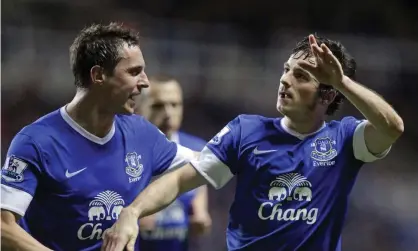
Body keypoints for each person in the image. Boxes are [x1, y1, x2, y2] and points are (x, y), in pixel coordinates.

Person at [101, 34, 404, 251]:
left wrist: (342, 82)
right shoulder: (246, 131)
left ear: (327, 95)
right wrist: (132, 211)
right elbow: (181, 179)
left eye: (301, 75)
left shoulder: (346, 139)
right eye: (286, 69)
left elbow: (391, 128)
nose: (285, 80)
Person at [0, 22, 196, 251]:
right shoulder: (36, 142)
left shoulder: (142, 133)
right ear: (98, 75)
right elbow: (4, 229)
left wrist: (135, 211)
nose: (145, 82)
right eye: (134, 72)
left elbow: (203, 165)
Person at [134, 75, 211, 251]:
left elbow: (199, 206)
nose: (168, 113)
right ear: (138, 109)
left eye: (174, 104)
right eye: (158, 105)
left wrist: (200, 218)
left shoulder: (196, 149)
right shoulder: (127, 152)